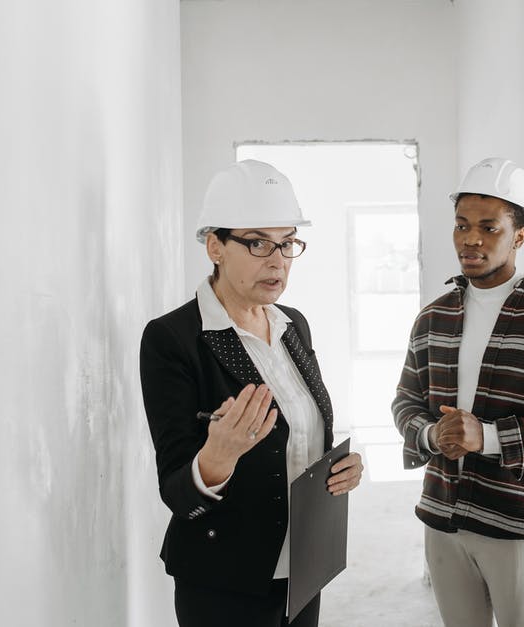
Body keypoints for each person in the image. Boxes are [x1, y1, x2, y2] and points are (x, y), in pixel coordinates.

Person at [139, 159, 364, 627]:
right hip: (224, 579)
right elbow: (178, 493)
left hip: (302, 567)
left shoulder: (292, 325)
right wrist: (218, 457)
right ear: (215, 246)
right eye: (258, 242)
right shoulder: (174, 338)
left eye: (287, 243)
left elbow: (301, 433)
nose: (277, 259)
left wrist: (338, 467)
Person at [392, 157, 524, 627]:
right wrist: (429, 435)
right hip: (442, 520)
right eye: (462, 225)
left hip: (518, 526)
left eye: (489, 227)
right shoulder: (432, 318)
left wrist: (485, 436)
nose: (471, 239)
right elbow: (404, 401)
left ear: (519, 235)